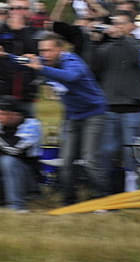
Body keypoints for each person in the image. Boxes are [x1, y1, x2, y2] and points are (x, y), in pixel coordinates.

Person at [20, 32, 107, 204]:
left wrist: (41, 68)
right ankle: (69, 200)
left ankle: (103, 199)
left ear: (60, 50)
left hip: (93, 114)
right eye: (42, 51)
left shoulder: (72, 61)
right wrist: (8, 56)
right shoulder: (46, 62)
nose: (44, 55)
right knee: (66, 160)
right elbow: (24, 62)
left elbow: (71, 77)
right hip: (73, 116)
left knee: (90, 159)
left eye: (49, 50)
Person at [88, 10, 140, 193]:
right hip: (110, 106)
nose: (117, 27)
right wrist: (94, 41)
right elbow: (93, 67)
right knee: (106, 151)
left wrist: (123, 37)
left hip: (133, 107)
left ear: (132, 26)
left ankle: (133, 190)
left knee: (131, 151)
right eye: (115, 23)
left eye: (121, 23)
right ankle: (105, 191)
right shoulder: (107, 47)